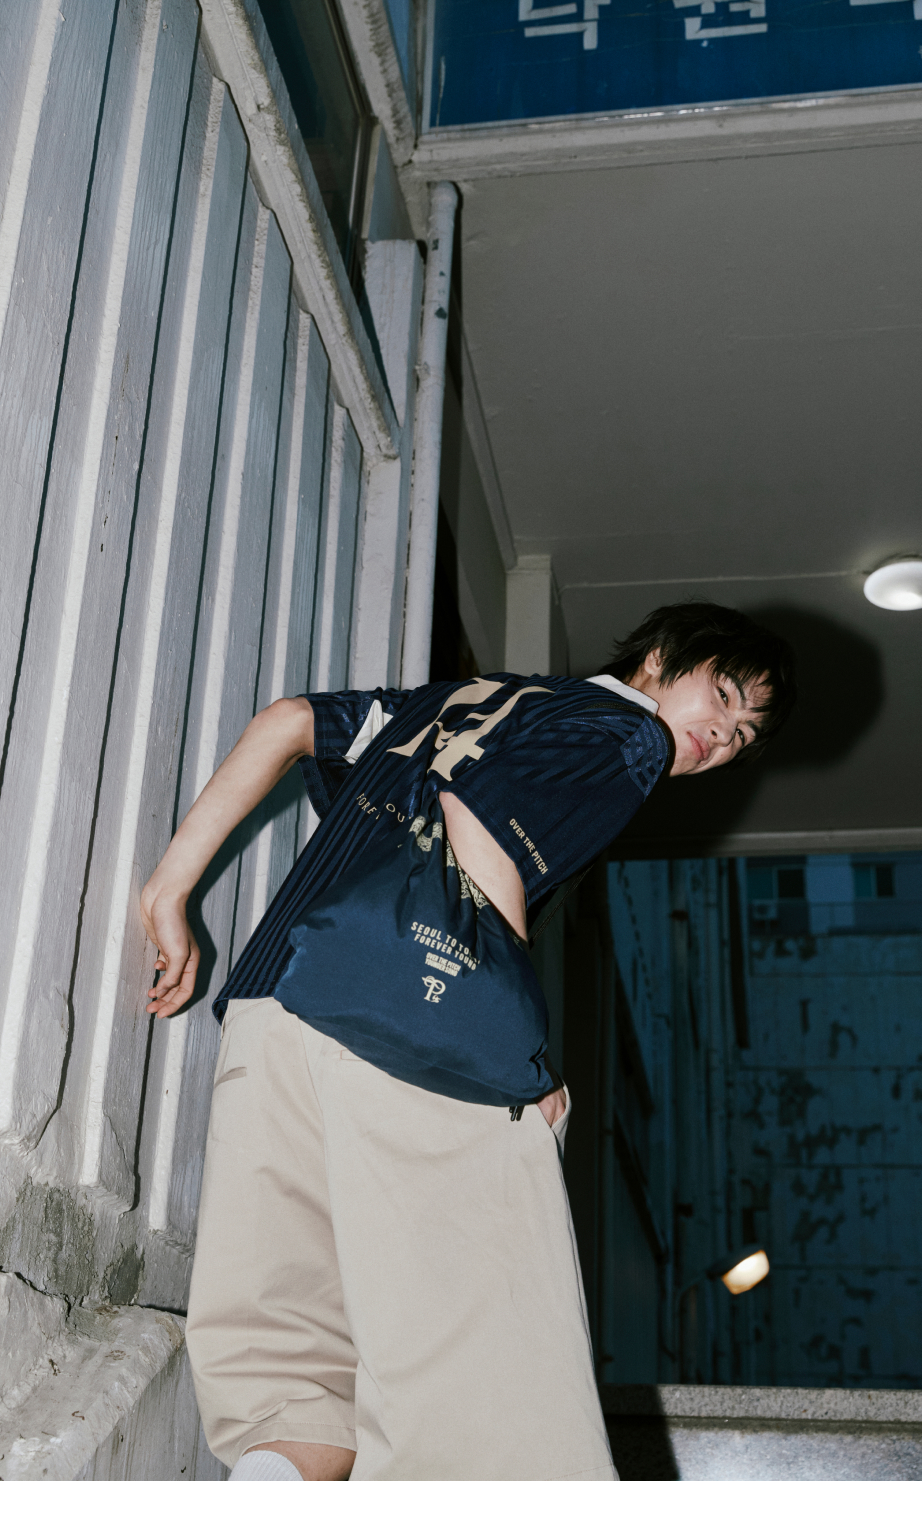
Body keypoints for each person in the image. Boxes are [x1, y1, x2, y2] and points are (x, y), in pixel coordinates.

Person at [139, 595, 796, 1483]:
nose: (722, 736)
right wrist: (522, 1059)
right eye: (722, 696)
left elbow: (291, 721)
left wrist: (169, 889)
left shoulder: (468, 699)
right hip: (417, 1040)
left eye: (743, 736)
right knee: (490, 1414)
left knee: (295, 1391)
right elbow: (481, 827)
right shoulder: (629, 735)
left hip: (276, 1009)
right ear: (659, 659)